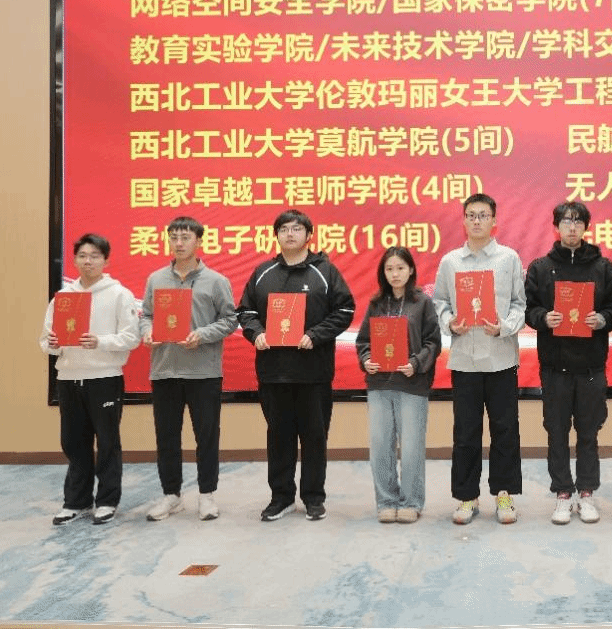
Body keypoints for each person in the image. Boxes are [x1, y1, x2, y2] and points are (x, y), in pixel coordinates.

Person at [237, 210, 355, 522]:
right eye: (284, 229)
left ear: (308, 235)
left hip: (313, 372)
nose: (290, 234)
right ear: (276, 235)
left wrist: (315, 335)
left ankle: (314, 498)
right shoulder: (263, 272)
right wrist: (256, 333)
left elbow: (345, 310)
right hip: (273, 372)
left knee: (315, 437)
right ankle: (281, 498)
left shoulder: (325, 271)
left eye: (296, 229)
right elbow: (245, 311)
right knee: (279, 437)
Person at [525, 201, 612, 524]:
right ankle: (563, 493)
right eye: (566, 221)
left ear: (586, 227)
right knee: (556, 432)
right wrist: (544, 317)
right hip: (555, 367)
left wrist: (602, 319)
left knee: (589, 432)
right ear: (556, 227)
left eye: (578, 221)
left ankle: (587, 493)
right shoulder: (541, 267)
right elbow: (528, 309)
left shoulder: (603, 267)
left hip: (591, 366)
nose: (572, 227)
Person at [433, 193, 526, 524]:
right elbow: (440, 302)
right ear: (463, 220)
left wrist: (504, 327)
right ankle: (466, 497)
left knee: (505, 430)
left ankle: (504, 494)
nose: (476, 220)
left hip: (501, 358)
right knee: (466, 432)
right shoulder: (450, 262)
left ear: (494, 221)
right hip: (465, 361)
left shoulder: (508, 258)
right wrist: (450, 324)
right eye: (471, 215)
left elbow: (519, 304)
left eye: (483, 215)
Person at [140, 216, 237, 523]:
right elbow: (146, 315)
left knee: (206, 436)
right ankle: (172, 495)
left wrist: (203, 334)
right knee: (166, 436)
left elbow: (230, 320)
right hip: (165, 370)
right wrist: (147, 332)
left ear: (199, 241)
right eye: (174, 238)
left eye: (185, 237)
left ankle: (207, 495)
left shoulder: (216, 281)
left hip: (203, 372)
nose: (179, 243)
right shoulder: (156, 279)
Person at [39, 233, 140, 526]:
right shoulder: (63, 297)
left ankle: (107, 501)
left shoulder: (119, 294)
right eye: (82, 256)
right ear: (74, 260)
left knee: (107, 442)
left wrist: (100, 341)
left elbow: (131, 338)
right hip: (69, 378)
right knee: (73, 442)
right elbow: (45, 341)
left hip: (104, 377)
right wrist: (54, 344)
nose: (88, 261)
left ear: (105, 260)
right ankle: (76, 501)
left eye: (95, 256)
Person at [356, 247, 441, 524]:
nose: (395, 274)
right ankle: (386, 501)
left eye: (400, 268)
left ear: (411, 270)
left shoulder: (422, 303)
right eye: (389, 269)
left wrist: (416, 363)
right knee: (380, 445)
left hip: (412, 383)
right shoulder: (376, 303)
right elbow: (363, 341)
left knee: (412, 447)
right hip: (380, 383)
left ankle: (411, 502)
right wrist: (366, 359)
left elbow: (433, 342)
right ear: (383, 272)